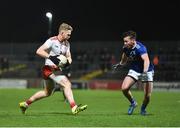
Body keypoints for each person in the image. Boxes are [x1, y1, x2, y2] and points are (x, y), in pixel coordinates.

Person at [19, 22, 87, 115]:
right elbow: (39, 51)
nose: (69, 36)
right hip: (48, 69)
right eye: (68, 34)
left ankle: (25, 104)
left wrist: (67, 62)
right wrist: (51, 57)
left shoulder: (67, 44)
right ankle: (74, 107)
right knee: (67, 84)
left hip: (56, 70)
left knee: (47, 93)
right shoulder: (51, 41)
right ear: (62, 32)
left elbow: (69, 56)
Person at [112, 30, 154, 115]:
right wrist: (120, 64)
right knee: (124, 88)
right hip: (135, 69)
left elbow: (146, 60)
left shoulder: (140, 48)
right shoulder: (125, 47)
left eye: (126, 41)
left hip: (147, 70)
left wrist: (144, 73)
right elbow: (124, 57)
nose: (124, 43)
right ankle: (133, 103)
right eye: (124, 41)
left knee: (147, 96)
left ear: (133, 40)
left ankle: (143, 109)